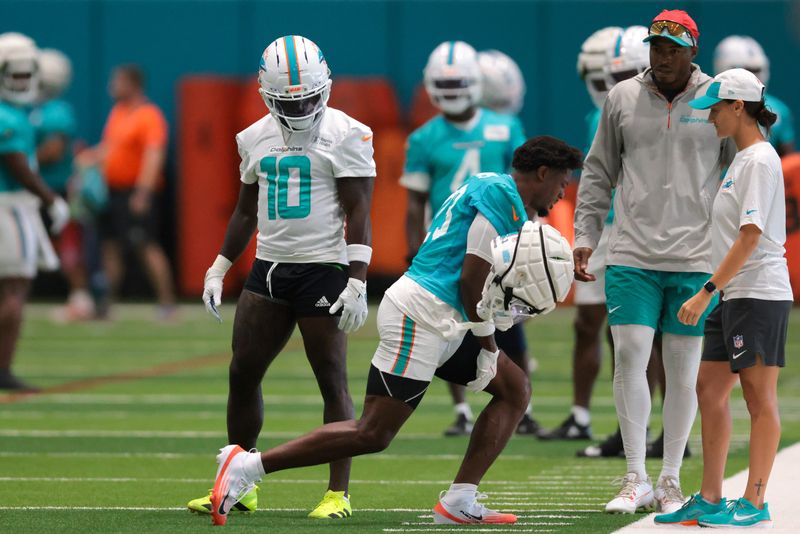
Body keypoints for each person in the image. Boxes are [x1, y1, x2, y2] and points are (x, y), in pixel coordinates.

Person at [205, 136, 583, 527]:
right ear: (542, 172)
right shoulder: (503, 198)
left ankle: (460, 499)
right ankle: (247, 466)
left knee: (514, 388)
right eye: (562, 182)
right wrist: (489, 345)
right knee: (374, 432)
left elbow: (491, 274)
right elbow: (472, 280)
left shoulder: (495, 186)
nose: (562, 193)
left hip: (443, 316)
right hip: (420, 314)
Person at [186, 35, 375, 520]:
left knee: (331, 379)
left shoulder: (348, 132)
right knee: (241, 373)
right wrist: (220, 266)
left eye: (310, 97)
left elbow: (359, 210)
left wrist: (357, 277)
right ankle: (238, 483)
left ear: (325, 87)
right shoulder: (253, 136)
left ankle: (338, 494)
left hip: (324, 270)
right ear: (266, 94)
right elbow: (245, 211)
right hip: (268, 269)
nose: (303, 108)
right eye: (291, 101)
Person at [573, 10, 736, 515]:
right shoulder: (621, 97)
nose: (662, 57)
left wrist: (735, 253)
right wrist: (585, 234)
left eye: (672, 48)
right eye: (655, 47)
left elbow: (739, 171)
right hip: (632, 254)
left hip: (696, 258)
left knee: (683, 372)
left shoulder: (718, 99)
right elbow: (599, 171)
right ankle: (635, 476)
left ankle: (669, 478)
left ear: (693, 51)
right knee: (631, 357)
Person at [655, 68, 791, 529]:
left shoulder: (758, 160)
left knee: (758, 399)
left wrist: (706, 290)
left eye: (714, 108)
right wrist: (717, 291)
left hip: (756, 292)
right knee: (708, 390)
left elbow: (750, 237)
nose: (709, 117)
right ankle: (711, 497)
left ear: (738, 107)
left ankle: (754, 502)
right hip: (731, 292)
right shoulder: (740, 159)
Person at [402, 40, 537, 437]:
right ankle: (462, 408)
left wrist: (525, 238)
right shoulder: (424, 137)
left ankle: (521, 404)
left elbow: (525, 186)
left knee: (511, 321)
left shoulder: (505, 127)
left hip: (498, 240)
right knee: (452, 325)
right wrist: (415, 249)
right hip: (448, 244)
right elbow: (415, 203)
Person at [77, 64, 175, 319]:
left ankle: (167, 304)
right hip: (113, 192)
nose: (112, 87)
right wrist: (88, 158)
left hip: (136, 192)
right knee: (110, 247)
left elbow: (154, 155)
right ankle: (106, 305)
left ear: (132, 84)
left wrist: (143, 192)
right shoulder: (118, 112)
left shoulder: (149, 115)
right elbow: (111, 148)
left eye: (117, 82)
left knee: (145, 244)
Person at [0, 33, 69, 390]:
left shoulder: (17, 113)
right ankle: (3, 368)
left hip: (12, 206)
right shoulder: (9, 116)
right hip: (8, 208)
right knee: (14, 288)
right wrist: (49, 198)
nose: (23, 82)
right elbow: (17, 166)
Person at [32, 48, 93, 321]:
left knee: (64, 244)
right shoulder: (31, 109)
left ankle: (80, 299)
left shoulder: (56, 111)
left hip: (53, 189)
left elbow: (54, 151)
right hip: (30, 189)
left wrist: (17, 158)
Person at [714, 36, 795, 157]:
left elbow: (788, 162)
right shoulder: (707, 104)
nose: (754, 76)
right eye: (747, 70)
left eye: (756, 69)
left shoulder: (779, 110)